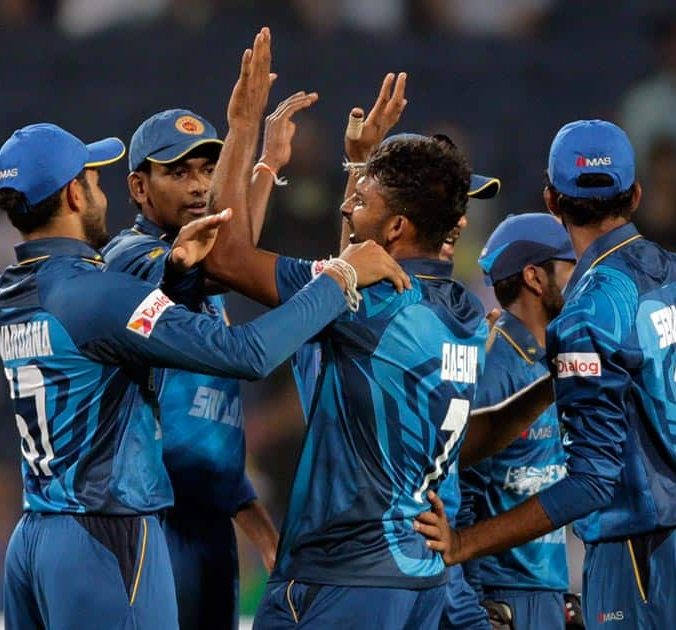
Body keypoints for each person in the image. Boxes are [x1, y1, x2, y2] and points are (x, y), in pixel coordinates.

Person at [0, 111, 404, 629]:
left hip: (36, 533)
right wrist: (340, 276)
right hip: (105, 536)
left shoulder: (10, 291)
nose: (102, 192)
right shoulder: (97, 292)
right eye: (94, 179)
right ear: (74, 195)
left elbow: (108, 348)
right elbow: (246, 353)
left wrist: (178, 277)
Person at [415, 119, 676, 630]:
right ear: (635, 194)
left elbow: (592, 483)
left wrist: (465, 544)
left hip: (639, 549)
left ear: (552, 201)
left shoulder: (587, 313)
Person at [200, 71, 489, 628]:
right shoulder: (461, 309)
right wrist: (360, 164)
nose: (345, 206)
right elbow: (347, 303)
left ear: (398, 225)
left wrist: (243, 131)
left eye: (361, 199)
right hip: (401, 573)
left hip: (346, 579)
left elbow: (224, 258)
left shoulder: (374, 303)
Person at [102, 91, 315, 630]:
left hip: (209, 527)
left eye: (208, 168)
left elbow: (210, 433)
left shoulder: (208, 283)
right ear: (139, 187)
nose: (198, 184)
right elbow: (226, 261)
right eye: (178, 172)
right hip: (150, 521)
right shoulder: (130, 260)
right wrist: (247, 139)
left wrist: (264, 533)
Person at [457, 212, 578, 630]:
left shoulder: (563, 359)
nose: (583, 278)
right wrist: (471, 608)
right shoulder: (493, 365)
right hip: (500, 599)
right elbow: (461, 492)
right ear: (535, 277)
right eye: (571, 266)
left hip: (547, 593)